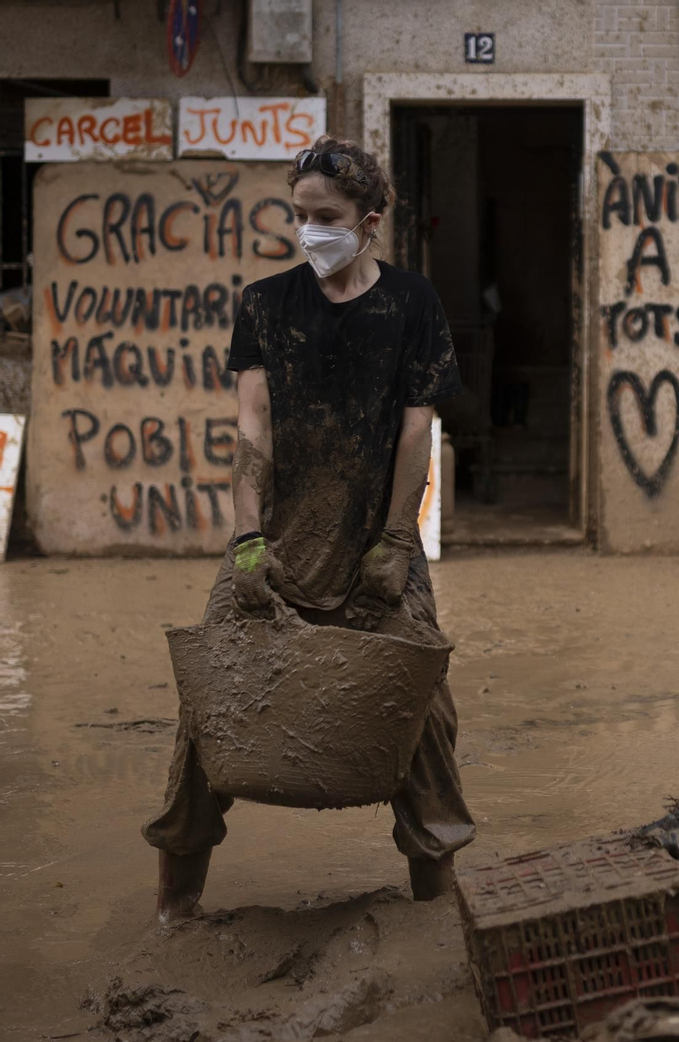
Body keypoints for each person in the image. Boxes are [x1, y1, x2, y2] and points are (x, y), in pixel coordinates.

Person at [143, 136, 475, 921]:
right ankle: (173, 915)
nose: (309, 230)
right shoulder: (265, 303)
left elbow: (415, 430)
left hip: (376, 547)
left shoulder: (411, 304)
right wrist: (248, 540)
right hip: (275, 544)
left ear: (369, 221)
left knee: (425, 712)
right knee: (208, 703)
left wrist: (398, 542)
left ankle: (435, 912)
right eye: (299, 215)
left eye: (325, 216)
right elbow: (253, 427)